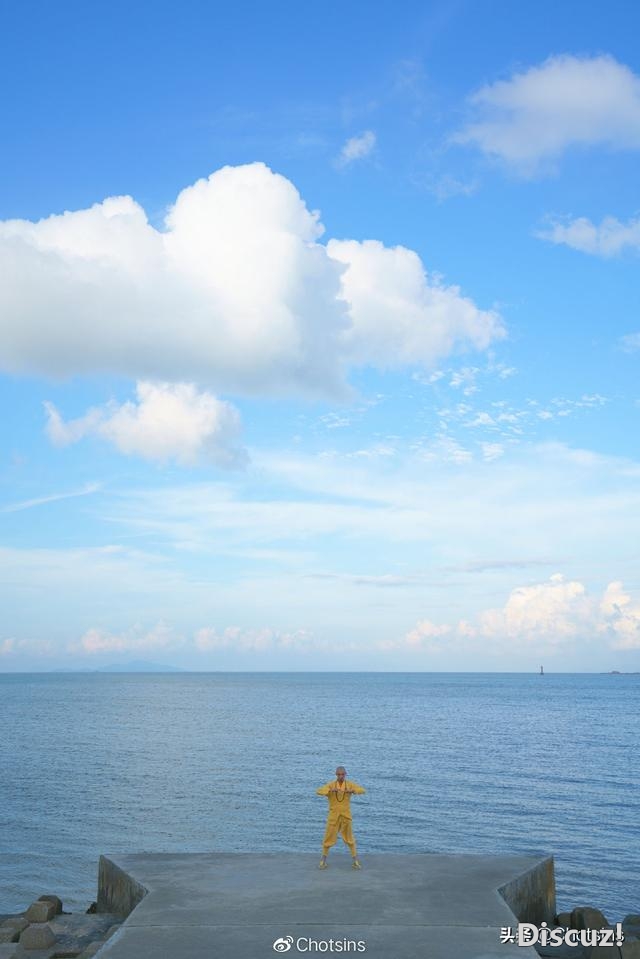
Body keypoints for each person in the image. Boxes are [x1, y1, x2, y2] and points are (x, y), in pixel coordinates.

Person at [316, 765, 366, 870]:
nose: (340, 776)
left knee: (350, 839)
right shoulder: (331, 785)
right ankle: (322, 861)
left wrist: (352, 791)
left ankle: (355, 862)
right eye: (339, 774)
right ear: (336, 775)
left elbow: (362, 790)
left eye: (342, 774)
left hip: (346, 816)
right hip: (333, 817)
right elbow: (319, 791)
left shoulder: (349, 785)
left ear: (345, 774)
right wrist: (329, 791)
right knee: (327, 839)